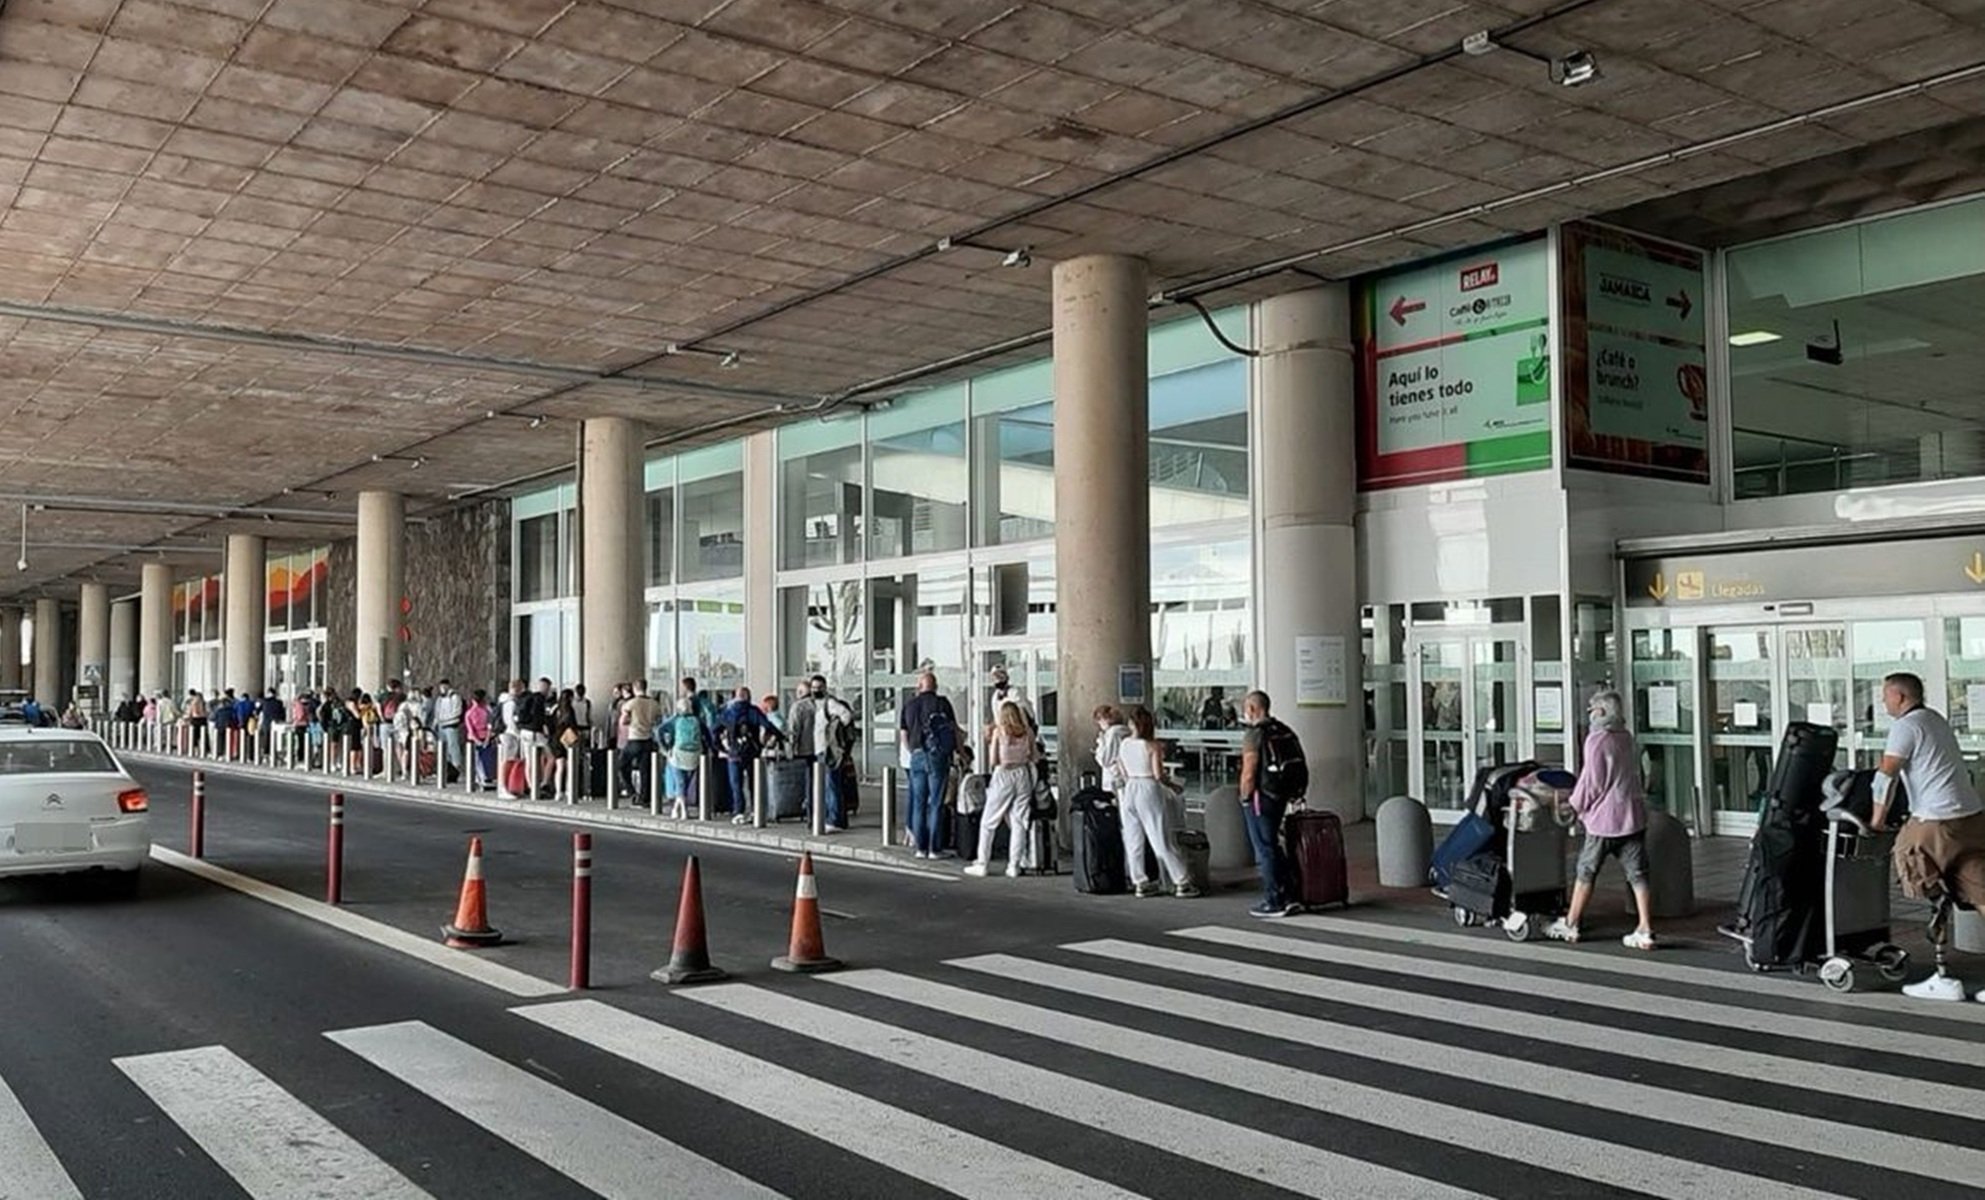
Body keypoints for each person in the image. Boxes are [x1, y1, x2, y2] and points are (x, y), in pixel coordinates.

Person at [1868, 672, 1985, 1001]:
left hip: (1935, 820)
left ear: (1901, 698)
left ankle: (1942, 976)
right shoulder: (1936, 719)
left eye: (1885, 695)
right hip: (1971, 819)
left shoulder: (1905, 726)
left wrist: (1876, 820)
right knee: (1980, 895)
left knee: (1914, 867)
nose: (1883, 701)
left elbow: (1886, 775)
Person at [1545, 690, 1656, 950]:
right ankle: (1645, 927)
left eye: (1592, 710)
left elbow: (1593, 782)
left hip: (1604, 821)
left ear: (1602, 712)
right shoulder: (1625, 737)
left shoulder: (1598, 740)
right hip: (1632, 816)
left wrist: (1574, 805)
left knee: (1586, 870)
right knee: (1638, 873)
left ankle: (1571, 923)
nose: (1590, 715)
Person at [1116, 706, 1198, 898]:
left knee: (1133, 838)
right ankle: (1181, 881)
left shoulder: (1124, 743)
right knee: (1160, 837)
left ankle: (1140, 882)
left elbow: (1121, 767)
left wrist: (1130, 778)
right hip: (1148, 788)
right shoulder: (1153, 746)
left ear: (1131, 724)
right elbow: (1159, 775)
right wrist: (1174, 786)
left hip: (1130, 788)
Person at [1237, 690, 1301, 918]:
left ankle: (1274, 899)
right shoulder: (1283, 730)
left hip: (1260, 797)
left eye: (1246, 708)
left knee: (1264, 848)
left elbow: (1249, 772)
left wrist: (1244, 797)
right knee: (1273, 844)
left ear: (1253, 709)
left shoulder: (1254, 735)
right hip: (1280, 795)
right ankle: (1290, 895)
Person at [966, 700, 1037, 878]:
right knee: (1019, 821)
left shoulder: (1000, 732)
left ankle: (982, 863)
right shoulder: (1027, 732)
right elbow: (1034, 756)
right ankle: (1014, 865)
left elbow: (993, 761)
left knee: (989, 821)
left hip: (1003, 774)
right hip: (1022, 774)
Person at [900, 671, 958, 859]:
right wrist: (961, 753)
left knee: (918, 803)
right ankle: (935, 849)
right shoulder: (942, 703)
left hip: (916, 756)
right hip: (937, 756)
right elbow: (953, 730)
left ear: (919, 686)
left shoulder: (909, 705)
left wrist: (913, 751)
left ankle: (920, 848)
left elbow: (904, 735)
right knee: (935, 803)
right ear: (935, 686)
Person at [716, 686, 781, 823]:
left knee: (736, 784)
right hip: (752, 753)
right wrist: (780, 738)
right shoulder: (753, 711)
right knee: (753, 783)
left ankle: (738, 812)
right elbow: (767, 725)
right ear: (748, 697)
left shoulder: (728, 712)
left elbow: (714, 730)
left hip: (734, 753)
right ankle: (755, 811)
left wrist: (720, 747)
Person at [659, 695, 706, 819]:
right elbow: (708, 735)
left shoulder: (675, 720)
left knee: (680, 783)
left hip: (678, 754)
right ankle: (676, 809)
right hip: (694, 755)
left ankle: (683, 810)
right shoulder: (698, 720)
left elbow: (660, 730)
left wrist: (666, 747)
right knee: (685, 783)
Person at [618, 679, 662, 804]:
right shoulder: (654, 704)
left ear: (634, 688)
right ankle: (645, 797)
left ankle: (631, 791)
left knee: (622, 765)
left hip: (634, 738)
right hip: (648, 739)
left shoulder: (630, 704)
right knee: (645, 770)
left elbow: (623, 721)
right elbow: (658, 721)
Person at [432, 680, 465, 784]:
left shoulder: (455, 697)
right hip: (441, 725)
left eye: (443, 686)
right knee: (443, 749)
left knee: (453, 747)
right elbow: (437, 711)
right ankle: (446, 770)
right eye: (440, 686)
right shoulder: (440, 698)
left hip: (451, 725)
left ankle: (457, 769)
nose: (442, 688)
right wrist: (436, 722)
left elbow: (457, 711)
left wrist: (446, 718)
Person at [1093, 704, 1130, 795]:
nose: (1099, 725)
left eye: (1100, 721)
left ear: (1105, 719)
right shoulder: (1125, 731)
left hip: (1114, 776)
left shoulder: (1112, 734)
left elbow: (1105, 759)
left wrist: (1100, 745)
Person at [464, 688, 494, 789]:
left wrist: (476, 740)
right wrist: (487, 738)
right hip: (485, 737)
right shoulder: (487, 711)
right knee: (484, 759)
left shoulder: (469, 713)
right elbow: (490, 725)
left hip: (474, 739)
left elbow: (470, 729)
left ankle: (479, 778)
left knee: (476, 760)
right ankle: (484, 777)